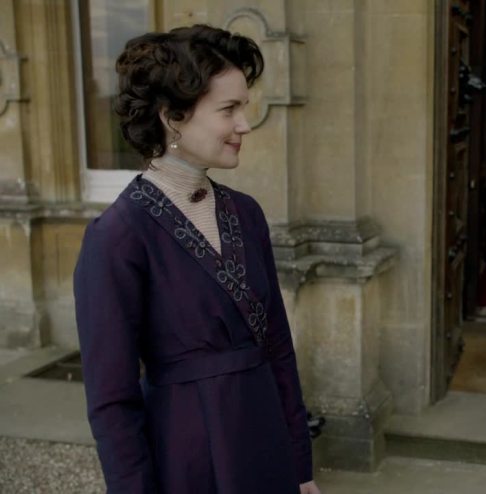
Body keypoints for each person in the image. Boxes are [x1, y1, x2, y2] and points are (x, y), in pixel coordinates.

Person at [74, 24, 321, 494]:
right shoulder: (118, 237)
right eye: (229, 109)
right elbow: (111, 401)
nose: (244, 125)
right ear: (173, 117)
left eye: (243, 107)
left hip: (266, 442)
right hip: (189, 457)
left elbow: (278, 347)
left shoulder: (246, 213)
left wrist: (300, 465)